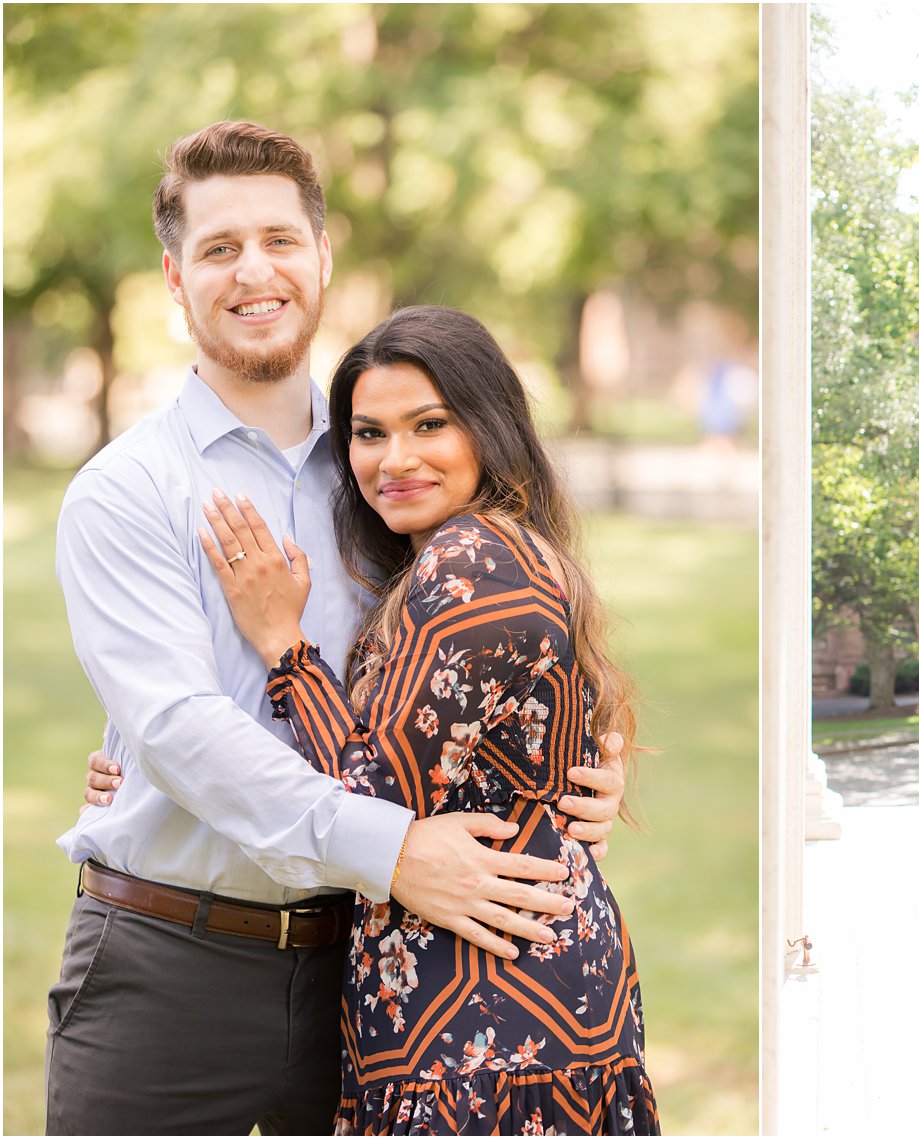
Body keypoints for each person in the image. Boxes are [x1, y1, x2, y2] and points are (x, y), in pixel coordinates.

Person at [47, 121, 625, 1135]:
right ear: (176, 279)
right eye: (219, 247)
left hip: (377, 974)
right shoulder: (127, 489)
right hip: (171, 966)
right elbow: (180, 728)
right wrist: (394, 847)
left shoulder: (395, 469)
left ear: (322, 258)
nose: (253, 270)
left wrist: (573, 775)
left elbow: (504, 652)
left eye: (279, 239)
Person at [200, 304, 658, 1134]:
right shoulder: (481, 550)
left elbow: (373, 795)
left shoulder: (472, 558)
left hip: (491, 1028)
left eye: (429, 425)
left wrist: (282, 642)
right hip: (494, 1005)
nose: (394, 458)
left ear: (489, 427)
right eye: (369, 434)